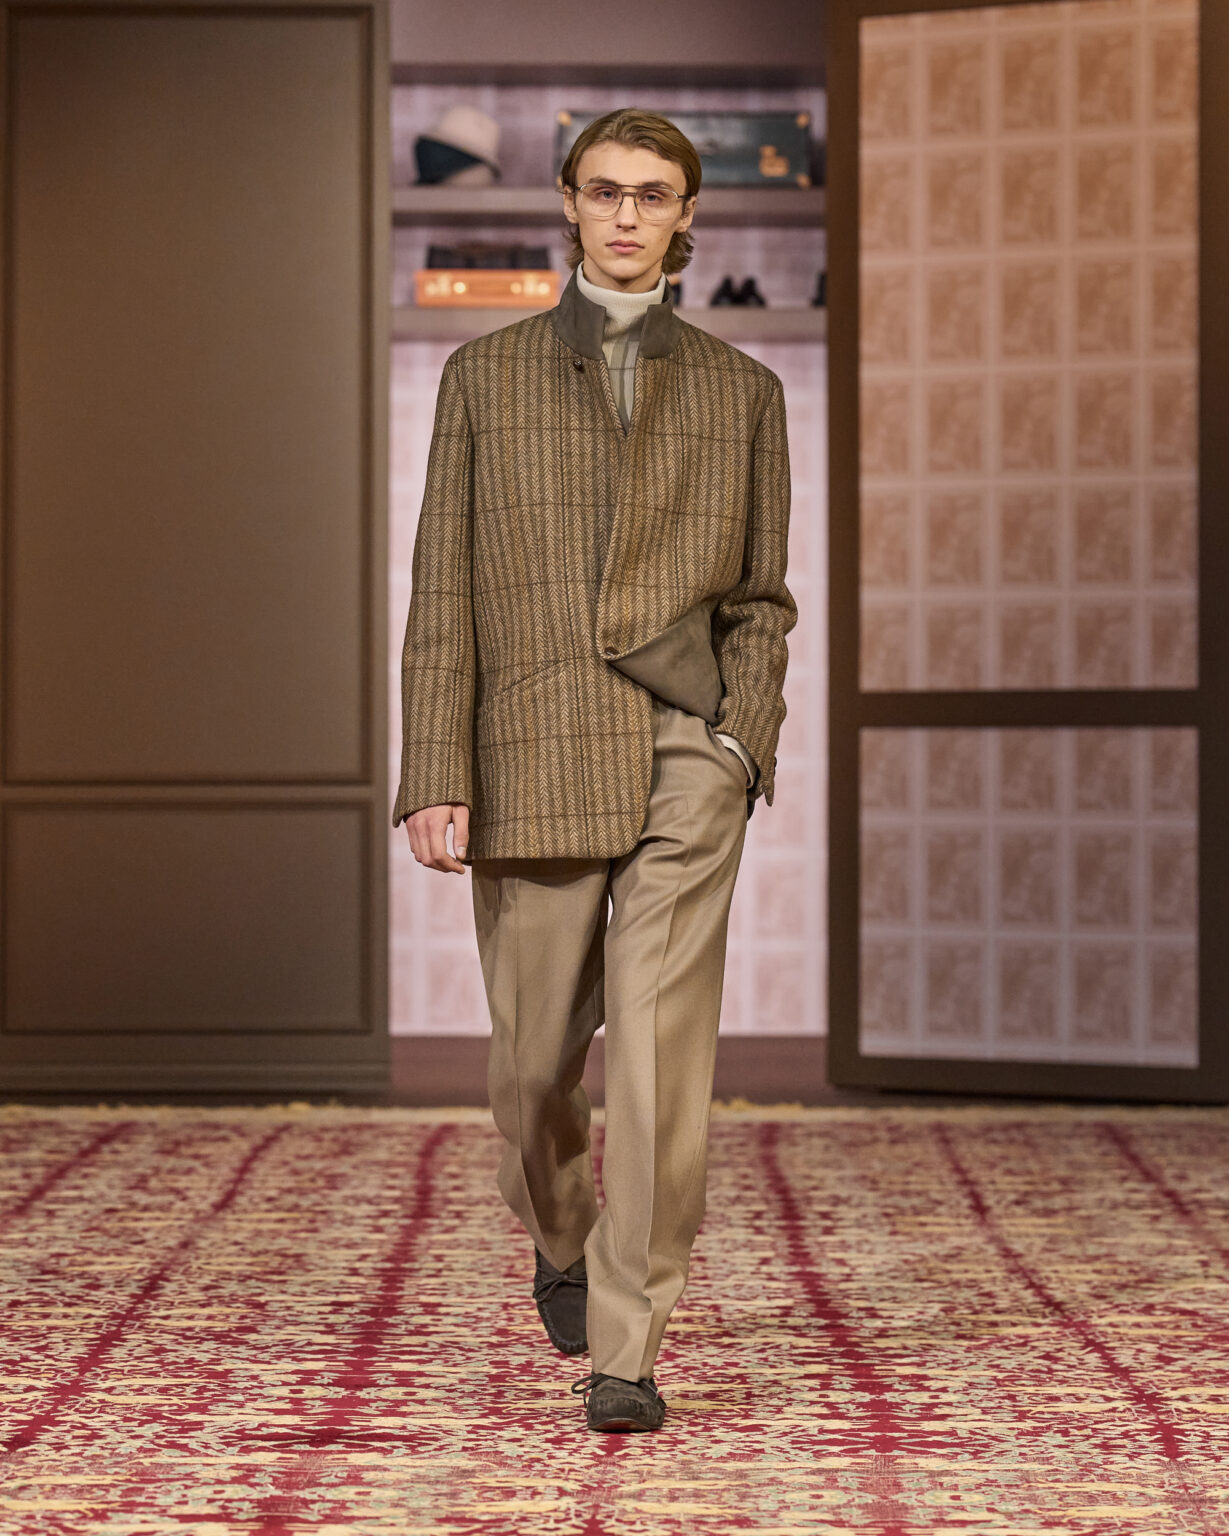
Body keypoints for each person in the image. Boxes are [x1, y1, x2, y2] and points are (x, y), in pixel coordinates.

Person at [393, 107, 797, 1432]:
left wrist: (741, 743)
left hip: (688, 750)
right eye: (606, 190)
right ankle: (560, 1233)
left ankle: (629, 1344)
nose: (628, 214)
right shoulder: (484, 377)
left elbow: (761, 601)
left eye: (653, 194)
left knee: (661, 1061)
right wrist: (434, 768)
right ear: (569, 203)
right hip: (534, 745)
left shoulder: (742, 391)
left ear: (687, 216)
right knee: (530, 1074)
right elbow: (444, 590)